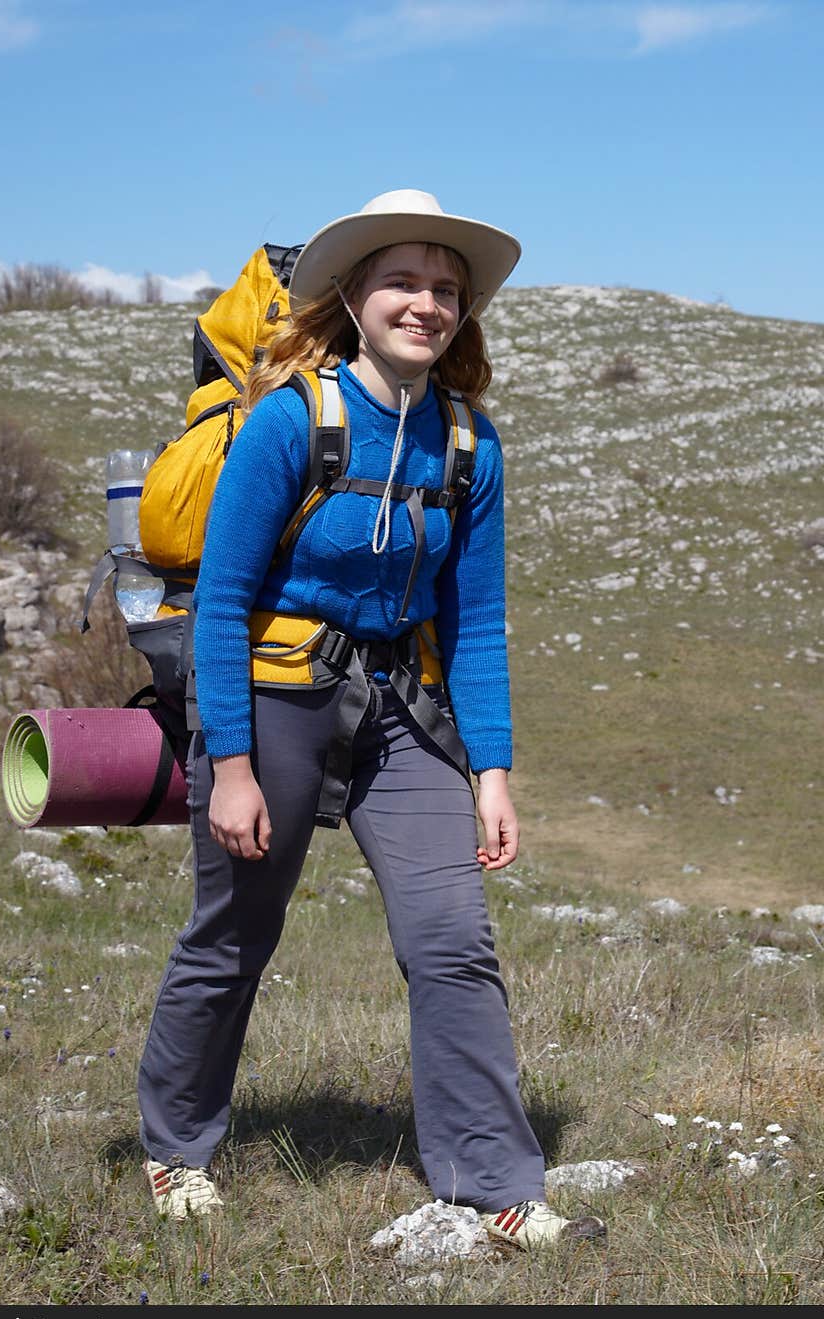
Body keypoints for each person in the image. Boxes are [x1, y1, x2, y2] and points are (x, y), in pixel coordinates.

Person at [137, 189, 606, 1251]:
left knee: (453, 943)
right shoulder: (290, 419)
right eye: (403, 281)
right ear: (352, 296)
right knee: (234, 936)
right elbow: (221, 598)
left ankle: (494, 1183)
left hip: (402, 710)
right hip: (274, 699)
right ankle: (177, 1150)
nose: (426, 304)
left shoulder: (469, 445)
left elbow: (475, 622)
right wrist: (237, 764)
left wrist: (490, 770)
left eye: (445, 289)